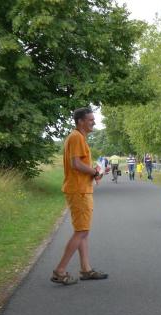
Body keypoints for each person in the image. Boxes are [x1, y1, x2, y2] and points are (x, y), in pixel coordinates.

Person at [51, 107, 109, 285]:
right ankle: (60, 271)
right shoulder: (76, 137)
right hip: (79, 190)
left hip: (81, 188)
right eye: (90, 120)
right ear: (80, 121)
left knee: (83, 230)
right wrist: (94, 172)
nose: (94, 122)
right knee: (82, 231)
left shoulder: (79, 137)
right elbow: (75, 164)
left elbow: (80, 165)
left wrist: (97, 172)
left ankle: (86, 269)